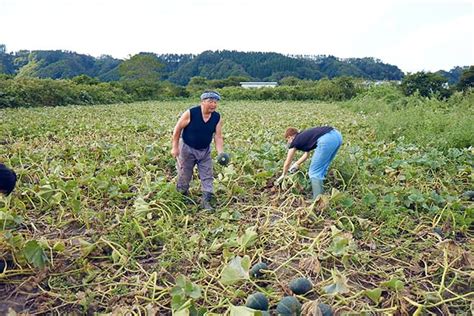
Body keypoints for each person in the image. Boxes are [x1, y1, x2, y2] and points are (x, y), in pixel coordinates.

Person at [171, 91, 224, 210]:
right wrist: (175, 147)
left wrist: (221, 152)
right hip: (186, 149)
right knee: (185, 173)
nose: (213, 105)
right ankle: (182, 196)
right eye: (210, 102)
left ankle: (206, 201)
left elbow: (218, 136)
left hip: (204, 150)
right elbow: (177, 129)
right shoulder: (191, 113)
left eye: (215, 102)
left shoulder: (216, 117)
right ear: (202, 102)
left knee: (207, 174)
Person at [275, 126, 342, 200]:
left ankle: (317, 200)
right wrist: (297, 164)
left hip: (327, 139)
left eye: (287, 139)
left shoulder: (295, 141)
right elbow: (306, 155)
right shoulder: (302, 136)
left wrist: (283, 175)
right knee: (323, 167)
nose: (288, 142)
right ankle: (321, 193)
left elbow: (287, 162)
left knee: (314, 172)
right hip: (337, 135)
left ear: (290, 137)